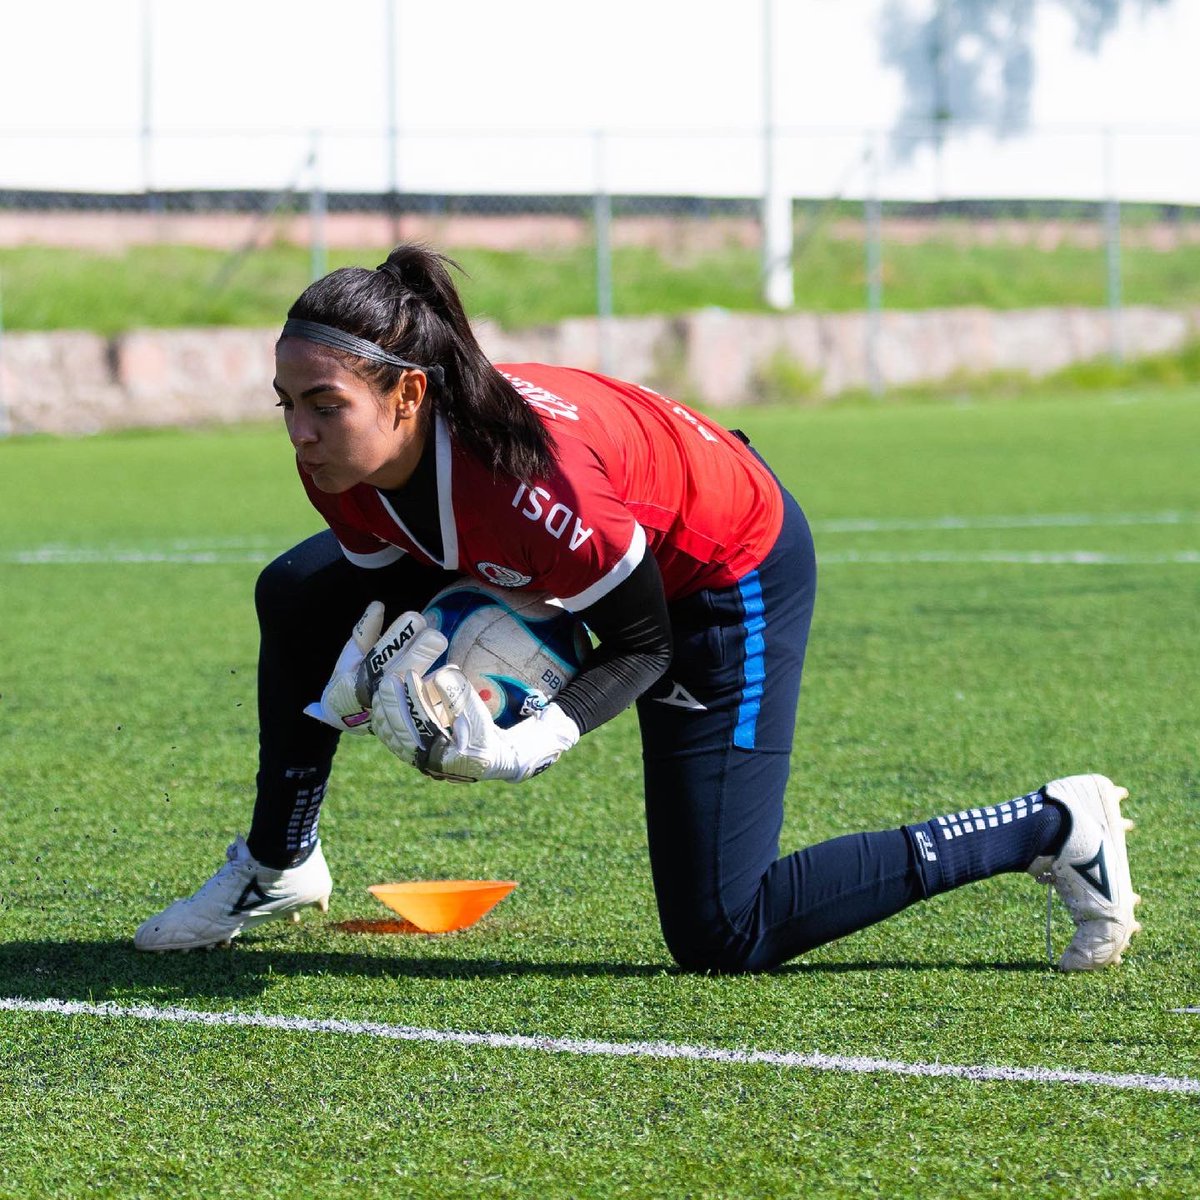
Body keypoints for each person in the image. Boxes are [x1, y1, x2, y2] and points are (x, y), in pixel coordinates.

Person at [135, 244, 1141, 972]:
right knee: (300, 591)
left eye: (325, 405)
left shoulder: (531, 488)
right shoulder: (342, 464)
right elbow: (389, 574)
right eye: (288, 403)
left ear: (408, 395)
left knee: (723, 932)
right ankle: (279, 863)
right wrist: (372, 666)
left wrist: (529, 743)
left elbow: (641, 642)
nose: (300, 431)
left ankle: (1051, 826)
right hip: (604, 543)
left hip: (722, 570)